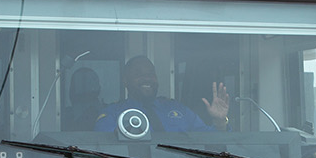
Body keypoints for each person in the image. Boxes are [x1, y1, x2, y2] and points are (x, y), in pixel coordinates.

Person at [96, 55, 228, 132]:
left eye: (150, 74)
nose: (147, 78)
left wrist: (220, 122)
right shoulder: (112, 114)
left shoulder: (178, 109)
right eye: (138, 74)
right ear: (125, 81)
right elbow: (106, 153)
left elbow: (209, 142)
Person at [61, 66, 104, 132]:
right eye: (79, 84)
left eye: (89, 84)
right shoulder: (64, 117)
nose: (84, 89)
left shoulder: (109, 113)